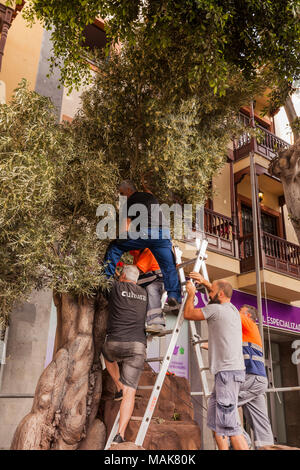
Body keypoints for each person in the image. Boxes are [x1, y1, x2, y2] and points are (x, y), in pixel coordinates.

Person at [185, 273, 248, 450]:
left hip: (227, 375)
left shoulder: (216, 310)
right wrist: (205, 282)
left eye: (210, 291)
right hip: (228, 374)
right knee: (217, 427)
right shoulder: (232, 309)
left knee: (232, 428)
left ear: (220, 294)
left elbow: (188, 313)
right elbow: (216, 295)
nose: (208, 294)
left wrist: (191, 294)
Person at [103, 180, 181, 310]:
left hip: (148, 232)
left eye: (122, 193)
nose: (122, 196)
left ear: (128, 190)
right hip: (164, 234)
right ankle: (174, 296)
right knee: (168, 266)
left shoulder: (128, 202)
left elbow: (125, 228)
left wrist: (121, 239)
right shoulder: (150, 196)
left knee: (115, 246)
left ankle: (105, 280)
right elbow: (149, 191)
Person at [101, 264, 147, 445]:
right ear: (136, 280)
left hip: (114, 343)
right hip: (136, 346)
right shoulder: (144, 293)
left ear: (122, 277)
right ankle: (119, 434)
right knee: (130, 392)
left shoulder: (115, 287)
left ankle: (118, 385)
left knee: (107, 354)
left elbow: (100, 282)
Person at [238, 304, 274, 449]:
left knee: (223, 404)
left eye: (241, 312)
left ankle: (243, 443)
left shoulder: (250, 324)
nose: (238, 313)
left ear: (248, 316)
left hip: (252, 378)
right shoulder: (243, 334)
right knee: (261, 420)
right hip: (257, 380)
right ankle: (267, 446)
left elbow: (229, 311)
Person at [130, 248, 166, 334]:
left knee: (151, 290)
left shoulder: (148, 250)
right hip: (150, 278)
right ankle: (149, 321)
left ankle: (157, 323)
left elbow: (137, 270)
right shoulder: (138, 253)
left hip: (158, 278)